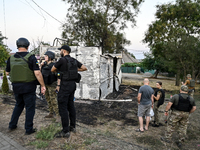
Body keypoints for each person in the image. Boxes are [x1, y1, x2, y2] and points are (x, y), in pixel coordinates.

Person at [6, 37, 46, 135]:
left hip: (16, 87)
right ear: (28, 46)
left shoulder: (11, 58)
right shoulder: (31, 57)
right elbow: (37, 73)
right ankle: (28, 129)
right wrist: (43, 85)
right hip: (28, 87)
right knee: (30, 108)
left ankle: (12, 125)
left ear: (17, 46)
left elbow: (7, 73)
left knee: (18, 105)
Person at [51, 45, 87, 138]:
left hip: (64, 86)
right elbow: (84, 68)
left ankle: (65, 131)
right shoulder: (74, 60)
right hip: (72, 85)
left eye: (60, 51)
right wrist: (73, 70)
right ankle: (72, 127)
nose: (60, 52)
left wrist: (64, 70)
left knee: (62, 107)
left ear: (64, 51)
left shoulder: (62, 60)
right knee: (71, 105)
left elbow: (53, 69)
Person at [41, 51, 60, 122]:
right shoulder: (44, 65)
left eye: (46, 56)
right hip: (46, 84)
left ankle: (58, 115)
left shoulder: (54, 65)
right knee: (48, 99)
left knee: (53, 100)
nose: (44, 57)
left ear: (50, 57)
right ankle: (51, 113)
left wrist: (58, 85)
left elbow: (58, 76)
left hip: (52, 84)